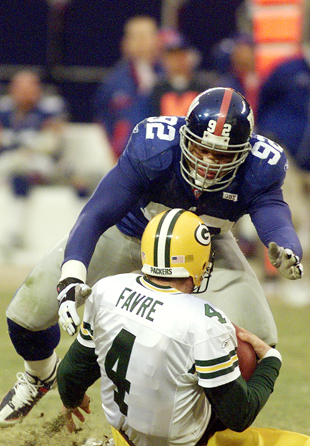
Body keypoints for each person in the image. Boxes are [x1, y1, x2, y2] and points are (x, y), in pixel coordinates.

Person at [0, 87, 302, 428]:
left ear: (243, 154)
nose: (207, 163)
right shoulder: (155, 145)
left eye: (221, 157)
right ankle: (39, 377)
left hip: (204, 249)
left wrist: (286, 243)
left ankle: (200, 430)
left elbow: (272, 211)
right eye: (202, 149)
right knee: (26, 316)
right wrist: (72, 275)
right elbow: (96, 215)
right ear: (186, 137)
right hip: (132, 233)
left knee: (257, 345)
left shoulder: (262, 166)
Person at [57, 209, 282, 446]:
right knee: (243, 355)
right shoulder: (204, 321)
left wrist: (71, 399)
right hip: (180, 442)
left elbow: (71, 373)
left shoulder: (106, 289)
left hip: (124, 435)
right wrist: (271, 361)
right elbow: (239, 416)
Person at [0, 70, 89, 251]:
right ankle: (14, 232)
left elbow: (52, 143)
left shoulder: (51, 106)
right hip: (12, 162)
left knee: (79, 178)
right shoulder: (5, 108)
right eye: (20, 88)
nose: (25, 93)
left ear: (38, 88)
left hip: (45, 163)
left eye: (29, 87)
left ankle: (84, 230)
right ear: (12, 89)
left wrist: (25, 147)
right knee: (17, 169)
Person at [93, 15, 162, 160]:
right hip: (124, 156)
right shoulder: (113, 81)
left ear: (157, 40)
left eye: (146, 36)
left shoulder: (166, 77)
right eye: (135, 36)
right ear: (125, 42)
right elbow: (101, 121)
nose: (141, 42)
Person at [149, 29, 212, 117]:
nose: (176, 61)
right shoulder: (157, 89)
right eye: (172, 57)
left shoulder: (203, 87)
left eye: (180, 55)